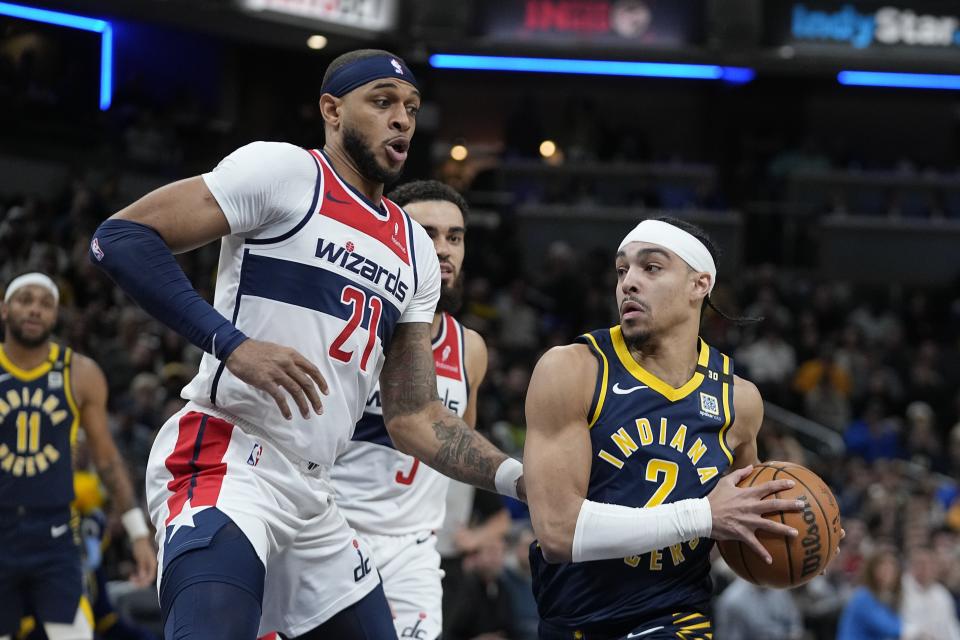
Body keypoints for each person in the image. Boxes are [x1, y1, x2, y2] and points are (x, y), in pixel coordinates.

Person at [89, 49, 524, 640]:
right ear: (332, 110)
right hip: (228, 454)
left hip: (314, 495)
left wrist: (519, 479)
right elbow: (121, 237)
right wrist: (233, 344)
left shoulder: (414, 249)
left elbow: (417, 415)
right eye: (382, 102)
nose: (402, 119)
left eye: (412, 109)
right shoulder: (288, 172)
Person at [523, 217, 806, 639]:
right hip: (574, 620)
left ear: (700, 285)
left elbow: (744, 530)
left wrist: (805, 532)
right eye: (622, 270)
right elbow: (559, 533)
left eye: (651, 268)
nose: (628, 283)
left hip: (675, 616)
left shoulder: (739, 400)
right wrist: (702, 516)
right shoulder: (574, 369)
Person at [329, 179, 489, 640]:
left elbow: (458, 453)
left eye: (455, 237)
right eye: (427, 234)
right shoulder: (347, 329)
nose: (444, 250)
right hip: (331, 532)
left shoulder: (470, 348)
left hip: (414, 552)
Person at [0, 273, 157, 640]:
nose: (35, 309)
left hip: (54, 534)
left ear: (56, 315)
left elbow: (106, 458)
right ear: (5, 309)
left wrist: (137, 533)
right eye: (26, 299)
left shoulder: (79, 373)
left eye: (46, 303)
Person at [836, 548, 912, 640]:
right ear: (872, 570)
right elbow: (889, 627)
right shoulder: (862, 597)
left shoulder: (886, 597)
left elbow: (896, 623)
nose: (888, 571)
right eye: (883, 566)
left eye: (891, 567)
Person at [900, 546, 960, 640]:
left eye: (931, 564)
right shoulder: (900, 588)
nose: (926, 568)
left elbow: (951, 628)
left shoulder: (942, 594)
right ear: (911, 565)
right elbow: (895, 624)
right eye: (921, 564)